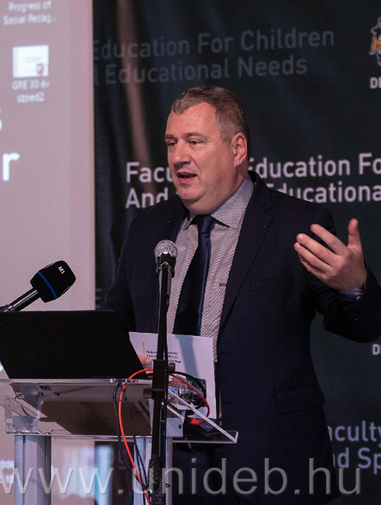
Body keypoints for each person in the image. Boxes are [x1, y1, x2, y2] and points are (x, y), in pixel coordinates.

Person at [102, 86, 381, 504]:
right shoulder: (148, 228)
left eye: (194, 141)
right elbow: (114, 329)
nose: (178, 156)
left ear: (237, 149)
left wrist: (354, 286)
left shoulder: (295, 225)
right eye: (172, 142)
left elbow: (363, 328)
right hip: (166, 467)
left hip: (269, 467)